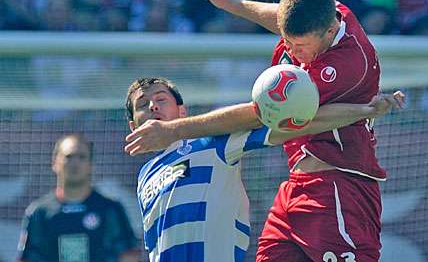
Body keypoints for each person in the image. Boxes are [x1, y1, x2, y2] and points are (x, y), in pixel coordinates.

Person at [124, 77, 403, 262]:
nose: (152, 106)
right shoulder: (144, 175)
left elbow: (293, 123)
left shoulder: (211, 143)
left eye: (161, 99)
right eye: (142, 105)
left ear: (182, 112)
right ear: (133, 126)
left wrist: (363, 110)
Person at [17, 134, 140, 262]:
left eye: (81, 157)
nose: (75, 163)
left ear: (91, 165)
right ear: (55, 163)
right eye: (68, 157)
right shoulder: (39, 212)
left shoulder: (110, 209)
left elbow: (129, 255)